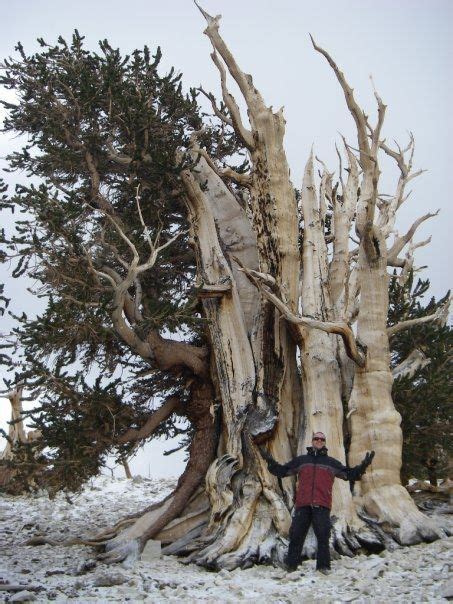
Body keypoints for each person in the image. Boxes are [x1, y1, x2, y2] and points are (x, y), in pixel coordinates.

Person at [260, 432, 375, 574]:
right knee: (296, 535)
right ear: (312, 441)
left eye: (322, 439)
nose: (319, 441)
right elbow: (283, 471)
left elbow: (348, 474)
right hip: (303, 504)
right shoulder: (302, 461)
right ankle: (291, 565)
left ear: (325, 442)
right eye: (316, 439)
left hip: (322, 504)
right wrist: (269, 460)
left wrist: (363, 466)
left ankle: (323, 567)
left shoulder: (331, 463)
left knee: (323, 536)